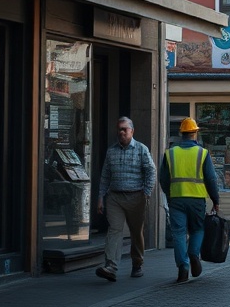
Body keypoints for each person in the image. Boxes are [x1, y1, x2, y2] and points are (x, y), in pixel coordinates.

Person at [159, 117, 222, 284]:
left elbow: (163, 179)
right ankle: (194, 253)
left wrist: (170, 194)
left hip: (176, 199)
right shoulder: (202, 153)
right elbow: (211, 179)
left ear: (181, 134)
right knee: (197, 230)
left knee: (178, 233)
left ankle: (183, 266)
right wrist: (216, 200)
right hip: (196, 200)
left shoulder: (170, 153)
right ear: (195, 134)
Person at [95, 117, 156, 282]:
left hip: (137, 197)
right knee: (114, 230)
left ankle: (137, 263)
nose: (121, 132)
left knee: (136, 233)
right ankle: (111, 267)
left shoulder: (142, 149)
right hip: (114, 197)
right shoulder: (111, 151)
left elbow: (151, 171)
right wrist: (101, 197)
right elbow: (105, 176)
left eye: (125, 129)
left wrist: (147, 192)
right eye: (119, 129)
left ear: (132, 131)